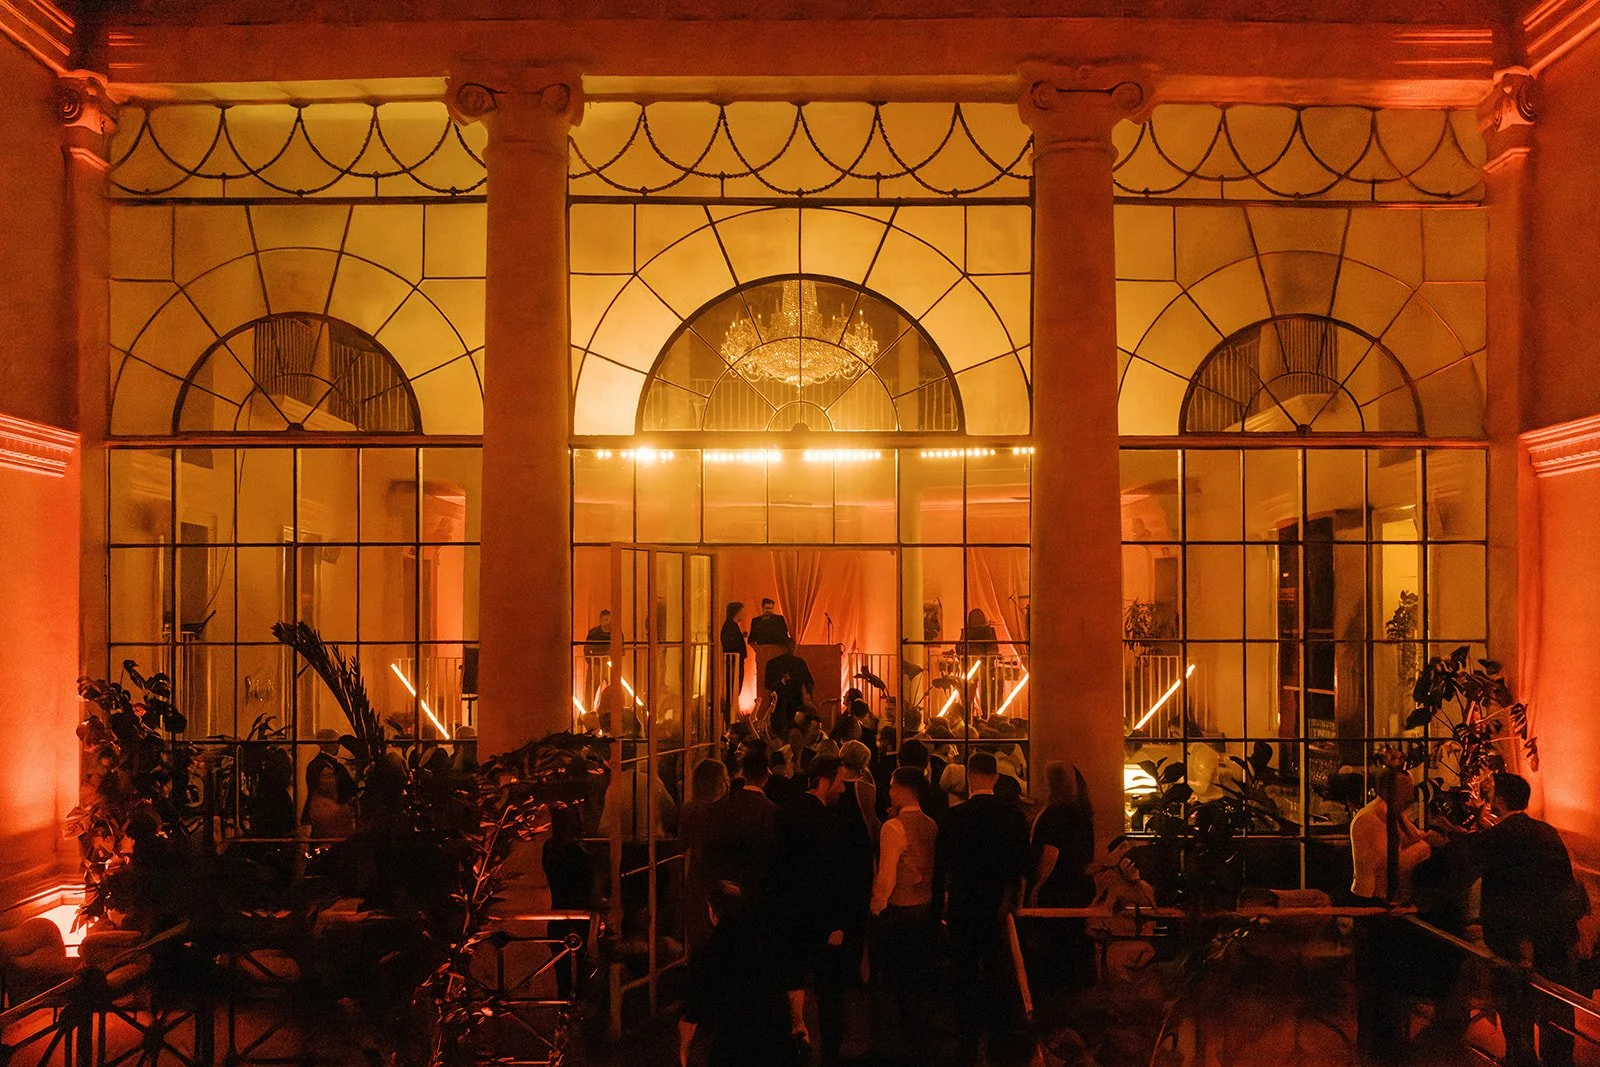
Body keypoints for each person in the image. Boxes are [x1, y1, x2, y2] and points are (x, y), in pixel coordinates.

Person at [1462, 773, 1587, 1067]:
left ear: (1500, 800)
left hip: (1512, 934)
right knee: (1556, 1004)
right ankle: (1558, 1060)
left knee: (1515, 1003)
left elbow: (1466, 865)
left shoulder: (1498, 836)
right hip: (1553, 931)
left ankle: (1521, 1058)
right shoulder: (1546, 832)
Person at [940, 751, 1031, 1067]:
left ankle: (965, 1033)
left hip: (964, 905)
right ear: (995, 777)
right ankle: (1000, 1031)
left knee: (963, 969)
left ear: (969, 778)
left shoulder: (955, 817)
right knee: (997, 969)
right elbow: (1022, 864)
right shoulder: (1012, 815)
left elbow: (944, 865)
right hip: (997, 906)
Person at [1348, 767, 1443, 1063]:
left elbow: (1408, 843)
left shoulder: (1396, 816)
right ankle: (1375, 1046)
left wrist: (1427, 836)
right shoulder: (1369, 820)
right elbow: (1393, 865)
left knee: (1392, 980)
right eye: (1406, 790)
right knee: (1376, 980)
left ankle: (1391, 1041)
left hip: (1393, 907)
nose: (1411, 795)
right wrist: (1428, 845)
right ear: (1388, 790)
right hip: (1372, 907)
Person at [772, 756, 851, 1065]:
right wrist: (836, 922)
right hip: (819, 918)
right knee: (828, 987)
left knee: (791, 977)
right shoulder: (829, 822)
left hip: (789, 914)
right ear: (825, 780)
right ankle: (829, 1049)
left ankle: (795, 1034)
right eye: (840, 781)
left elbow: (777, 868)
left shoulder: (786, 812)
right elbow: (831, 877)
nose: (843, 789)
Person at [679, 880, 793, 1067]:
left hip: (732, 1043)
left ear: (712, 911)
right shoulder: (765, 942)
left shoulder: (710, 950)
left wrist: (684, 1054)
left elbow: (694, 1009)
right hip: (773, 1037)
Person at [869, 767, 941, 1065]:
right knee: (918, 969)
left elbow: (886, 876)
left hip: (898, 908)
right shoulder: (931, 824)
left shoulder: (893, 827)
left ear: (902, 789)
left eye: (892, 786)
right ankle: (921, 1029)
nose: (889, 791)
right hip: (924, 905)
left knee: (894, 973)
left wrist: (876, 905)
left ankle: (897, 1035)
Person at [1027, 762, 1095, 990]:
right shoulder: (1080, 813)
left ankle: (1055, 987)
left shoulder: (1054, 813)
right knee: (1074, 937)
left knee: (1054, 938)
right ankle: (1076, 986)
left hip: (1057, 886)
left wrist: (1037, 885)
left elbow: (1051, 852)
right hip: (1077, 885)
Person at [705, 749, 780, 910]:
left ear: (743, 774)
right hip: (757, 889)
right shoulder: (772, 812)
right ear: (766, 776)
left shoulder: (724, 806)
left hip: (726, 884)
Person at [542, 804, 594, 1001]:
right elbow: (587, 883)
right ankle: (578, 1005)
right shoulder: (577, 852)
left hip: (557, 912)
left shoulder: (549, 848)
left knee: (560, 967)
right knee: (581, 963)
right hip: (578, 914)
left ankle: (563, 1005)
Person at [682, 758, 731, 953]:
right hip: (718, 878)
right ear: (718, 781)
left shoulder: (689, 808)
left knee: (698, 937)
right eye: (726, 778)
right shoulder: (723, 811)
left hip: (695, 878)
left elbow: (682, 843)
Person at [762, 639, 815, 736]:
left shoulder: (772, 663)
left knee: (778, 734)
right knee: (795, 733)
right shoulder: (799, 663)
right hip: (796, 705)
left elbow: (768, 685)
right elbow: (809, 683)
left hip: (778, 704)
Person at [749, 598, 793, 701]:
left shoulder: (779, 620)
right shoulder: (756, 621)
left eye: (770, 608)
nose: (768, 611)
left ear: (773, 609)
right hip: (764, 654)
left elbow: (784, 635)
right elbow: (751, 639)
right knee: (764, 681)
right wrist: (757, 649)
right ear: (762, 608)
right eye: (766, 608)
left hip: (777, 652)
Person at [302, 760, 356, 839]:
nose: (329, 780)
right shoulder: (318, 805)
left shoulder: (339, 800)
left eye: (330, 776)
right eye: (323, 776)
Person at [719, 601, 748, 724]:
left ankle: (731, 718)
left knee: (735, 691)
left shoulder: (731, 626)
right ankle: (730, 720)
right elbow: (730, 644)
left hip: (736, 663)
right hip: (733, 665)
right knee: (733, 691)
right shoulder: (730, 626)